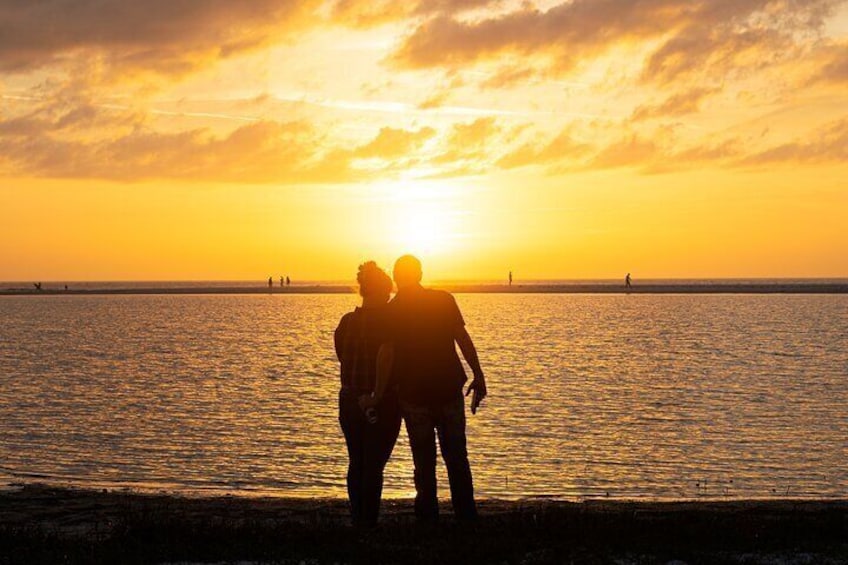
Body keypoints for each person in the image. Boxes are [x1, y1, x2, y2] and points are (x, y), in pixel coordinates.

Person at [362, 255, 487, 522]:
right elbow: (462, 338)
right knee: (456, 457)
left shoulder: (392, 310)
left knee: (424, 460)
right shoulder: (443, 300)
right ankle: (466, 517)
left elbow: (386, 353)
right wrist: (478, 374)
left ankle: (428, 519)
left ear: (397, 278)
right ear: (419, 274)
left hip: (414, 394)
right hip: (446, 388)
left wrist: (377, 395)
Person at [335, 261, 401, 528]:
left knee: (357, 461)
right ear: (382, 291)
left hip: (348, 398)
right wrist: (376, 394)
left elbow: (342, 356)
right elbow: (386, 356)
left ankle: (357, 516)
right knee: (373, 465)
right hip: (378, 402)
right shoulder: (389, 321)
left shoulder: (346, 322)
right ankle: (368, 522)